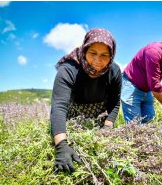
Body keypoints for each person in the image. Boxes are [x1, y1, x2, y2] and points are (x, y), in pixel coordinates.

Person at [50, 28, 122, 173]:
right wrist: (61, 145)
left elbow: (115, 102)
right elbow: (59, 106)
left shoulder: (114, 71)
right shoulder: (68, 70)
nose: (98, 60)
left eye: (104, 55)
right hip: (72, 117)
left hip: (98, 116)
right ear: (84, 51)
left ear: (111, 55)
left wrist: (107, 127)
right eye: (93, 53)